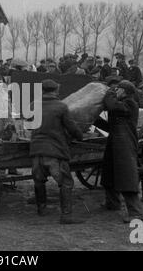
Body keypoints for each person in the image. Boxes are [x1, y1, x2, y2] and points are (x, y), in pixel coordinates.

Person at [30, 79, 85, 224]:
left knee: (39, 181)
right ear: (56, 91)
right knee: (65, 182)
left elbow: (28, 125)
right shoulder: (61, 106)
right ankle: (66, 216)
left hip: (36, 150)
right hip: (54, 151)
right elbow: (71, 127)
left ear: (42, 91)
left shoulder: (33, 105)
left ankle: (41, 209)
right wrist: (80, 136)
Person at [101, 80, 143, 223]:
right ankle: (113, 203)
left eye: (118, 89)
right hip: (115, 141)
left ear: (125, 91)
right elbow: (110, 126)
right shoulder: (121, 105)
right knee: (109, 172)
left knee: (126, 176)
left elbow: (111, 105)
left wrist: (108, 93)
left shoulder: (130, 103)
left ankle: (136, 213)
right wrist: (93, 120)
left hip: (125, 143)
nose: (116, 91)